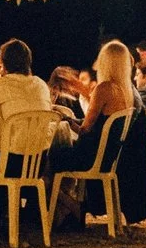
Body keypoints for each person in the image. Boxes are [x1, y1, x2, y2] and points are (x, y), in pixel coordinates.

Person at [51, 40, 139, 183]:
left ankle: (47, 203)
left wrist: (67, 121)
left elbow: (85, 130)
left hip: (90, 157)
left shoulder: (103, 88)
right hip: (108, 158)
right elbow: (100, 123)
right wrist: (71, 119)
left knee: (48, 155)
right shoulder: (126, 92)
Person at [0, 39, 55, 125]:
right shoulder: (42, 85)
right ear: (29, 61)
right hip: (41, 140)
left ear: (4, 63)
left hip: (11, 140)